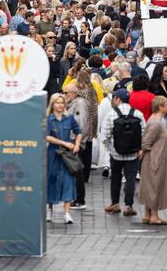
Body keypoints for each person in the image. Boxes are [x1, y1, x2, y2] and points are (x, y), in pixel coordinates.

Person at [102, 89, 145, 217]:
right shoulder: (137, 113)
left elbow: (105, 136)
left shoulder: (111, 114)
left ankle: (115, 204)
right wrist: (140, 149)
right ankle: (129, 206)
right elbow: (144, 132)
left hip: (116, 153)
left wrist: (111, 148)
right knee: (130, 179)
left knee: (115, 178)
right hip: (133, 153)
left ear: (118, 99)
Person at [139, 96, 167, 226]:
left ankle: (148, 214)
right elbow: (146, 141)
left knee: (151, 185)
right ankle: (154, 216)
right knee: (155, 186)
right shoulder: (156, 122)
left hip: (156, 157)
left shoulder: (158, 120)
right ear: (160, 107)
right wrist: (152, 153)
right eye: (166, 104)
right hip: (156, 158)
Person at [45, 94, 81, 224]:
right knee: (52, 180)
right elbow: (47, 137)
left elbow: (79, 131)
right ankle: (50, 209)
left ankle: (66, 213)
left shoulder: (69, 118)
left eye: (62, 102)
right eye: (57, 102)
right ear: (52, 104)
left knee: (68, 182)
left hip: (67, 156)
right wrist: (65, 143)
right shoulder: (48, 119)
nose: (60, 105)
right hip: (53, 154)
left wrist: (77, 144)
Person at [72, 70, 98, 209]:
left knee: (82, 151)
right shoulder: (92, 89)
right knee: (88, 149)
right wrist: (95, 126)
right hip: (90, 122)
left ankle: (82, 174)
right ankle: (86, 175)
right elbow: (94, 108)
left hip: (81, 124)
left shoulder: (78, 91)